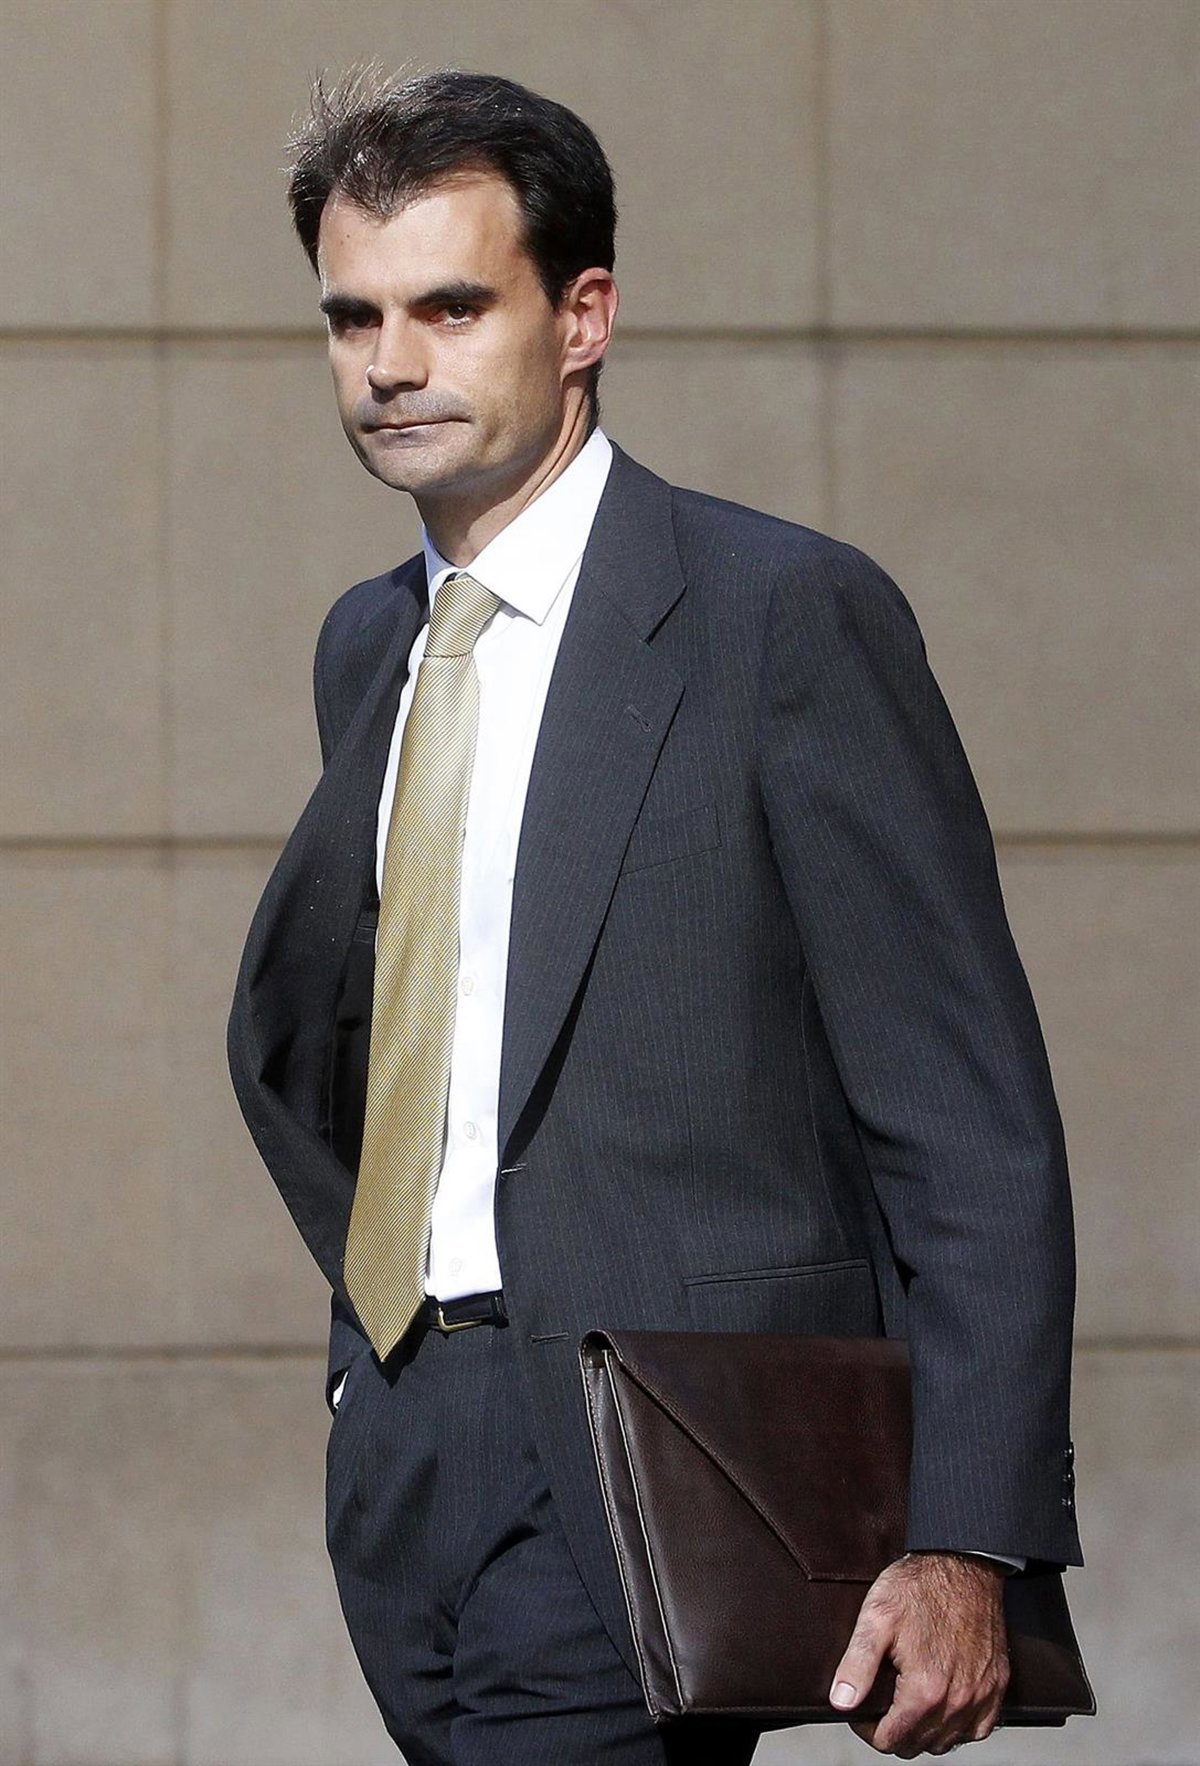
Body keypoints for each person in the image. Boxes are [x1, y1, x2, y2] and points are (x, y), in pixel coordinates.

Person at [227, 67, 1082, 1766]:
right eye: (353, 317)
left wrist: (970, 1530)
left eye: (451, 307)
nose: (390, 363)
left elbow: (966, 1115)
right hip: (410, 1449)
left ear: (584, 317)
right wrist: (366, 1369)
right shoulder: (369, 646)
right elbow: (353, 1045)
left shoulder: (779, 618)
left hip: (665, 1447)